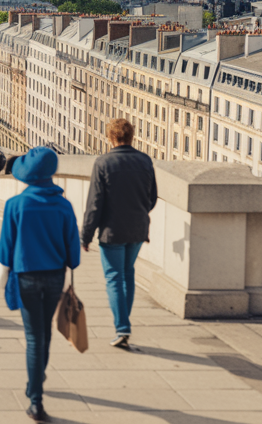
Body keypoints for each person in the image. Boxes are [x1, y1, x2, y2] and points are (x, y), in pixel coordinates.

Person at [0, 146, 81, 422]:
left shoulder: (15, 205)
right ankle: (36, 380)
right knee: (45, 334)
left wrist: (2, 279)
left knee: (34, 337)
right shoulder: (64, 205)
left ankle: (36, 400)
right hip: (55, 276)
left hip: (26, 276)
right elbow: (74, 254)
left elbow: (5, 249)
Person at [82, 119, 157, 350]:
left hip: (112, 230)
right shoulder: (145, 161)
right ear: (132, 136)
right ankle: (124, 320)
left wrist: (86, 235)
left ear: (111, 137)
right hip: (137, 228)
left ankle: (122, 327)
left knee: (114, 276)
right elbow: (152, 197)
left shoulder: (103, 162)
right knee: (127, 274)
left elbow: (95, 203)